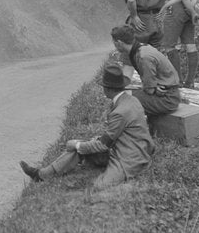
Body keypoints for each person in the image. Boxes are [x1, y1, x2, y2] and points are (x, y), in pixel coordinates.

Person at [20, 62, 153, 189]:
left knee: (100, 186)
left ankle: (48, 173)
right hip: (124, 147)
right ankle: (41, 174)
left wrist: (77, 145)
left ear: (108, 89)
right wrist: (80, 145)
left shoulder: (120, 111)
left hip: (130, 157)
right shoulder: (131, 100)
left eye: (103, 86)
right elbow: (109, 138)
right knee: (80, 147)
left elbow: (103, 144)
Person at [111, 25, 181, 117]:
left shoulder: (144, 57)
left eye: (114, 42)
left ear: (119, 43)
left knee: (122, 98)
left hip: (167, 99)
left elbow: (150, 90)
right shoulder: (140, 48)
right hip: (166, 93)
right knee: (127, 94)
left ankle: (131, 128)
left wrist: (152, 88)